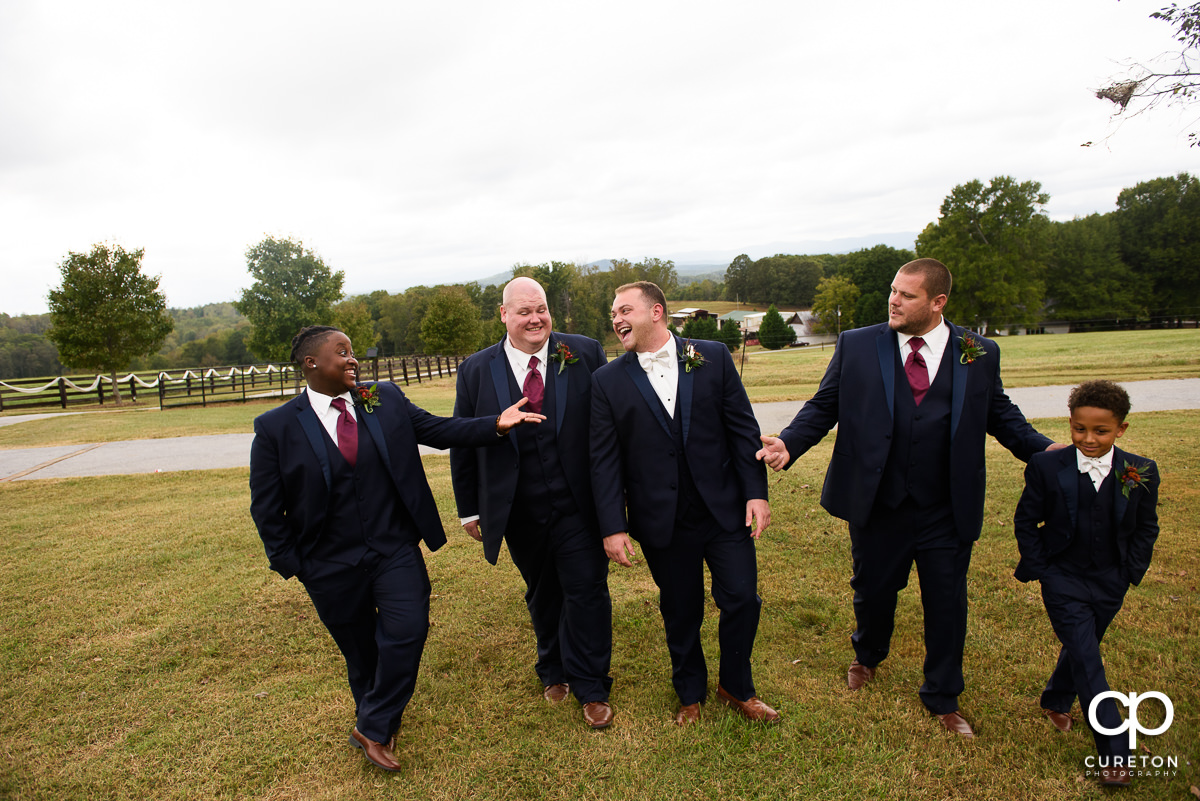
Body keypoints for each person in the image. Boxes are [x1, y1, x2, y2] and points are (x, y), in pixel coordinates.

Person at [756, 258, 1059, 737]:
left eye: (907, 294)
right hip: (878, 501)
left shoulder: (978, 351)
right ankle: (868, 654)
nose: (894, 300)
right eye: (893, 291)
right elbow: (825, 404)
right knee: (873, 590)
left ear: (938, 303)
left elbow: (1001, 415)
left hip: (947, 504)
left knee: (947, 601)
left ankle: (942, 696)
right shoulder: (858, 344)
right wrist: (791, 442)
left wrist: (1049, 452)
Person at [249, 325, 543, 772]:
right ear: (311, 364)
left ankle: (371, 725)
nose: (352, 360)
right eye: (341, 353)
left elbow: (441, 430)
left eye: (352, 353)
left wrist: (496, 425)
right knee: (361, 649)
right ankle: (380, 718)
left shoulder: (383, 398)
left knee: (408, 629)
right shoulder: (276, 428)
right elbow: (267, 508)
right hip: (328, 563)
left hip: (394, 549)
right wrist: (296, 565)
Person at [590, 281, 777, 725]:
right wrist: (612, 526)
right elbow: (603, 461)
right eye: (613, 313)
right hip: (662, 519)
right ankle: (689, 693)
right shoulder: (607, 381)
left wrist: (755, 492)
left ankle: (737, 687)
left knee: (742, 599)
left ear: (656, 312)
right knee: (680, 608)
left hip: (724, 510)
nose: (617, 318)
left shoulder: (711, 357)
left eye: (625, 309)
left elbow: (741, 430)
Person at [449, 277, 615, 729]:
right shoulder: (475, 370)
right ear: (503, 315)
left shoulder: (584, 352)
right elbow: (464, 442)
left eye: (540, 309)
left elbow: (609, 428)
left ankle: (592, 685)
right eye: (523, 311)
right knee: (543, 591)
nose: (535, 318)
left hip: (580, 504)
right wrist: (470, 508)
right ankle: (553, 669)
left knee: (586, 590)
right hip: (518, 508)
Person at [1013, 380, 1159, 788]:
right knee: (1089, 659)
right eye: (1079, 429)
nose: (1088, 439)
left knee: (1083, 647)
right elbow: (1026, 520)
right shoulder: (1046, 466)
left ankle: (1056, 699)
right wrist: (1043, 568)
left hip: (1111, 580)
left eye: (1101, 431)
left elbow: (1147, 526)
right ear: (1070, 424)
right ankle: (1115, 754)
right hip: (1062, 577)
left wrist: (1132, 571)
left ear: (1121, 430)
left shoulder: (1140, 471)